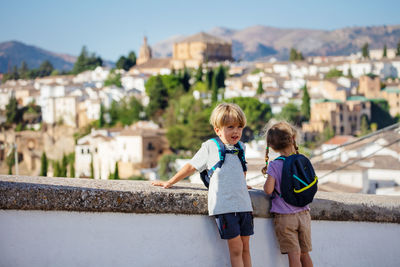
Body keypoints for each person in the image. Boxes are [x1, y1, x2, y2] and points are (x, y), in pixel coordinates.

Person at [152, 103, 254, 267]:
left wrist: (242, 184)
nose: (236, 131)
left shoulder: (241, 147)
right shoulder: (210, 147)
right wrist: (170, 182)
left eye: (239, 127)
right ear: (217, 129)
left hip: (244, 206)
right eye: (230, 127)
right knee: (236, 250)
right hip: (226, 207)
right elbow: (191, 167)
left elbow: (241, 170)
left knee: (246, 249)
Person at [262, 122, 313, 267]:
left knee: (294, 256)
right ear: (293, 138)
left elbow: (268, 190)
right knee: (305, 254)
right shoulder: (302, 160)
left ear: (271, 146)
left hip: (285, 217)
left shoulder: (275, 165)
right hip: (304, 214)